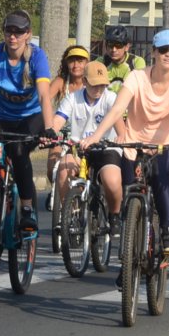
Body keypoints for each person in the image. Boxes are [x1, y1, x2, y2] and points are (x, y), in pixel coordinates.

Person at [82, 28, 169, 257]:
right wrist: (96, 136)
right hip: (135, 144)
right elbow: (118, 108)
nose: (168, 54)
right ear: (153, 52)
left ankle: (167, 231)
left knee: (157, 172)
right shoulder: (137, 76)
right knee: (131, 189)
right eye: (163, 50)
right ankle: (129, 257)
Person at [0, 9, 54, 232]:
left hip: (31, 117)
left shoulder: (37, 56)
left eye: (19, 32)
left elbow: (44, 95)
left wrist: (49, 127)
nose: (13, 36)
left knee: (19, 152)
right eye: (9, 31)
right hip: (2, 117)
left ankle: (27, 208)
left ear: (28, 34)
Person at [46, 60, 125, 239]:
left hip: (106, 149)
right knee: (64, 169)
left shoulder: (111, 98)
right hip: (79, 149)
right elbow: (58, 120)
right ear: (85, 82)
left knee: (111, 181)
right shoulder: (73, 98)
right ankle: (71, 215)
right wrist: (50, 132)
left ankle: (115, 215)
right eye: (95, 85)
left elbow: (121, 130)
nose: (99, 89)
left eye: (103, 85)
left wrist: (120, 139)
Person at [44, 44, 92, 210]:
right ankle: (57, 190)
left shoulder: (91, 83)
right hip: (61, 132)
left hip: (83, 133)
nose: (76, 65)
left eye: (80, 61)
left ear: (87, 63)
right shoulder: (61, 82)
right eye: (72, 61)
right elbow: (45, 102)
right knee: (52, 167)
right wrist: (48, 125)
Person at [96, 24, 145, 93]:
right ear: (105, 46)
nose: (114, 50)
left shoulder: (136, 62)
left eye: (118, 45)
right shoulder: (100, 62)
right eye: (110, 45)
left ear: (127, 47)